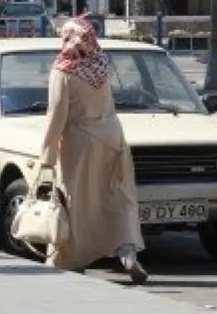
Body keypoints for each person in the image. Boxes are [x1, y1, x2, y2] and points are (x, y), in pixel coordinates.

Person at [40, 15, 148, 285]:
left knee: (77, 202)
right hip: (113, 136)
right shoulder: (102, 64)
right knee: (119, 196)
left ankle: (69, 258)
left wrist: (47, 155)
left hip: (80, 142)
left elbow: (57, 115)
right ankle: (127, 250)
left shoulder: (63, 70)